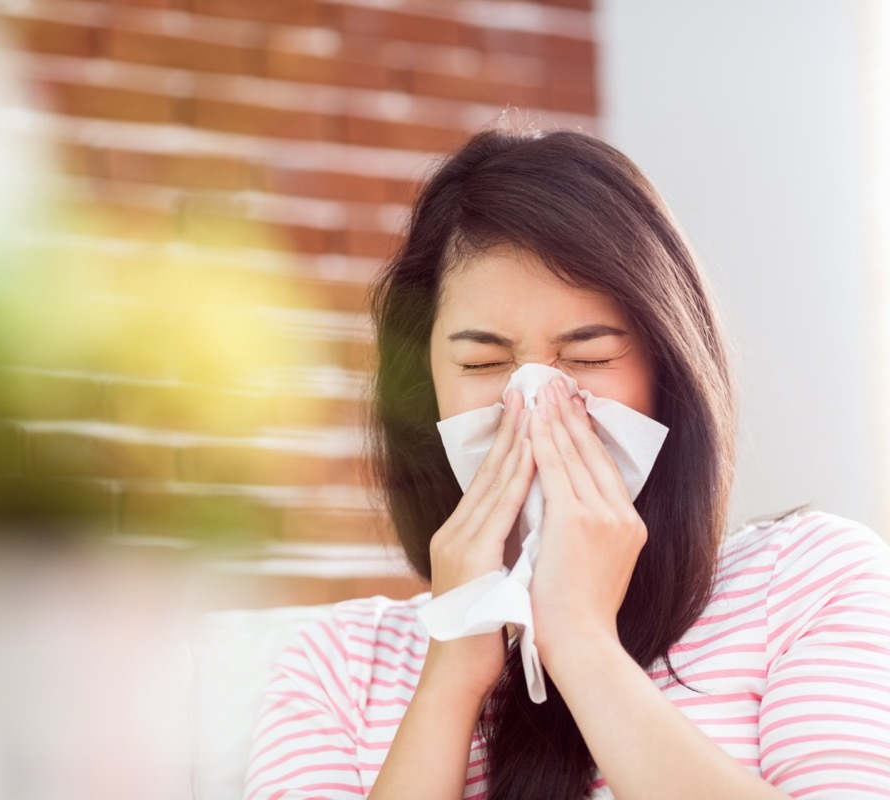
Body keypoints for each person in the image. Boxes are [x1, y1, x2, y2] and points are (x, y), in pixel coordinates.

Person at [242, 129, 890, 799]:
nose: (534, 398)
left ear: (666, 372)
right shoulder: (339, 665)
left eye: (588, 355)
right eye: (483, 363)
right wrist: (452, 675)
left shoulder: (808, 582)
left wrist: (581, 644)